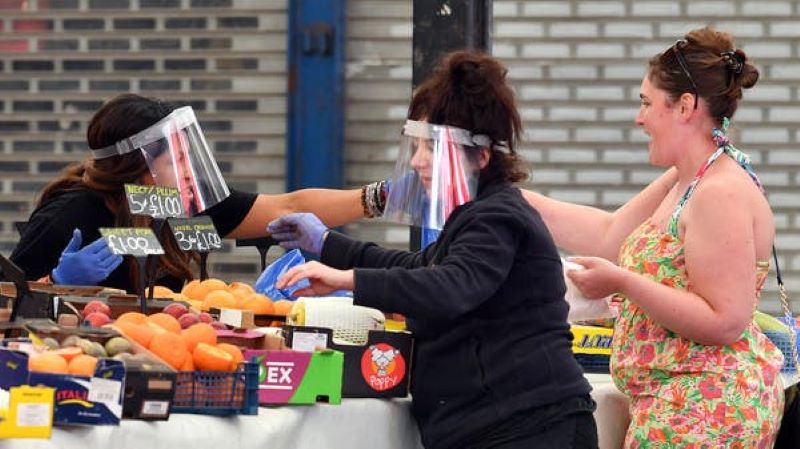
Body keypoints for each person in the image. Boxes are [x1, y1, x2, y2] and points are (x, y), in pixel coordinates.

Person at [271, 51, 598, 449]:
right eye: (417, 145)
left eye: (433, 148)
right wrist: (326, 245)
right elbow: (420, 265)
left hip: (530, 428)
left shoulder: (497, 216)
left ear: (481, 157)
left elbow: (450, 286)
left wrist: (347, 279)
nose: (419, 162)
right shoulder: (473, 216)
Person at [519, 26, 784, 447]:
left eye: (646, 103)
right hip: (678, 404)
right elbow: (608, 235)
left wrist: (624, 282)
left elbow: (726, 320)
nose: (639, 118)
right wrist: (510, 198)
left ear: (685, 106)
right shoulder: (688, 178)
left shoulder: (719, 192)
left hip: (704, 411)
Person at [9, 93, 374, 293]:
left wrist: (377, 198)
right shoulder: (72, 213)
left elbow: (288, 206)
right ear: (137, 165)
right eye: (175, 160)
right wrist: (55, 283)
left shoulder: (181, 204)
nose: (188, 171)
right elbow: (7, 303)